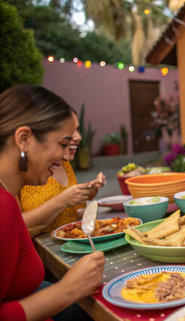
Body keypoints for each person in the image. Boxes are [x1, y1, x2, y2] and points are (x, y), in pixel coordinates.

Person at [0, 85, 105, 320]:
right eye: (62, 144)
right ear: (24, 139)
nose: (65, 154)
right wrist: (69, 289)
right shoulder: (3, 205)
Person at [19, 110, 106, 235]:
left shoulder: (64, 162)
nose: (78, 137)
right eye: (71, 131)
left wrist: (90, 190)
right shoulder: (19, 172)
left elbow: (71, 204)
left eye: (77, 129)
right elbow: (14, 226)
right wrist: (61, 200)